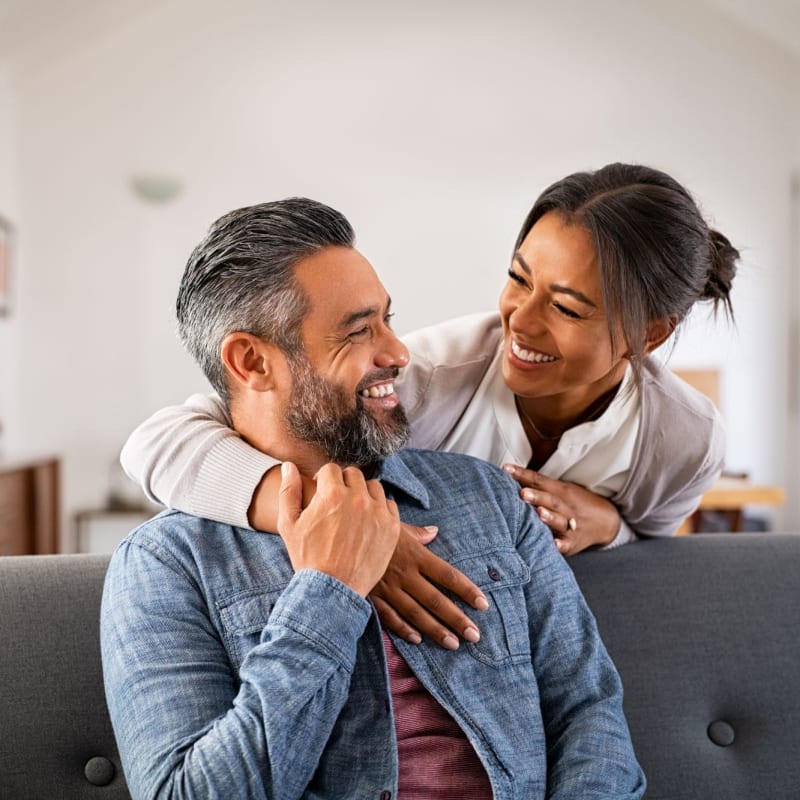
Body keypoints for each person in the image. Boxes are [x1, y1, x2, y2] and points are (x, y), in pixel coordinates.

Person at [100, 198, 646, 799]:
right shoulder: (167, 564)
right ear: (252, 361)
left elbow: (589, 710)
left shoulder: (490, 497)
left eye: (388, 319)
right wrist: (327, 592)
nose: (398, 352)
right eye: (360, 331)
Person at [120, 162, 738, 647]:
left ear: (649, 334)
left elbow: (654, 550)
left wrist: (611, 527)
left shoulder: (685, 440)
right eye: (518, 278)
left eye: (568, 307)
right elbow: (158, 443)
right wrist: (344, 528)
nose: (519, 321)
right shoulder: (428, 376)